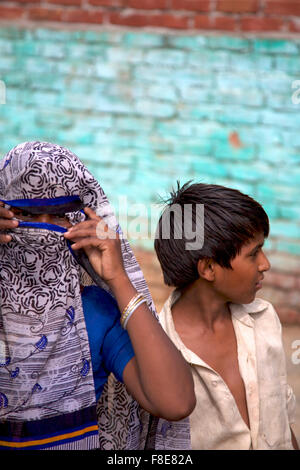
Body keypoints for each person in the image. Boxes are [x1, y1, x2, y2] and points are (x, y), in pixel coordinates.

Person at [0, 142, 195, 451]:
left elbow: (175, 401)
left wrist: (119, 278)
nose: (44, 230)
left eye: (60, 216)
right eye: (25, 214)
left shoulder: (94, 311)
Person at [154, 180, 298, 450]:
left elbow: (282, 419)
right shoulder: (159, 350)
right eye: (254, 253)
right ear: (208, 268)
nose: (265, 264)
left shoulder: (264, 320)